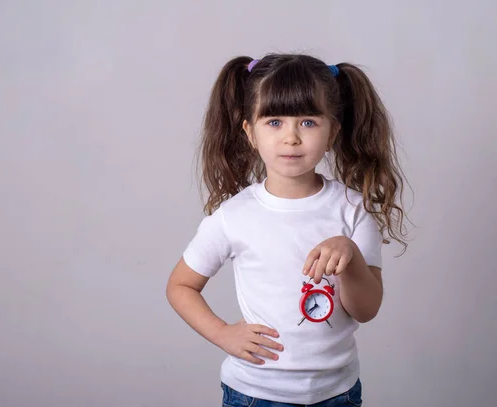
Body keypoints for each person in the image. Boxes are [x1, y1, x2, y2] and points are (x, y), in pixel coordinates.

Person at [166, 53, 408, 406]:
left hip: (337, 394)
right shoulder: (234, 215)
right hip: (255, 395)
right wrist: (223, 334)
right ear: (250, 132)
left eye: (308, 122)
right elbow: (180, 285)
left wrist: (350, 255)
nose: (291, 138)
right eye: (275, 121)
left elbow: (366, 310)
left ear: (332, 132)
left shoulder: (352, 210)